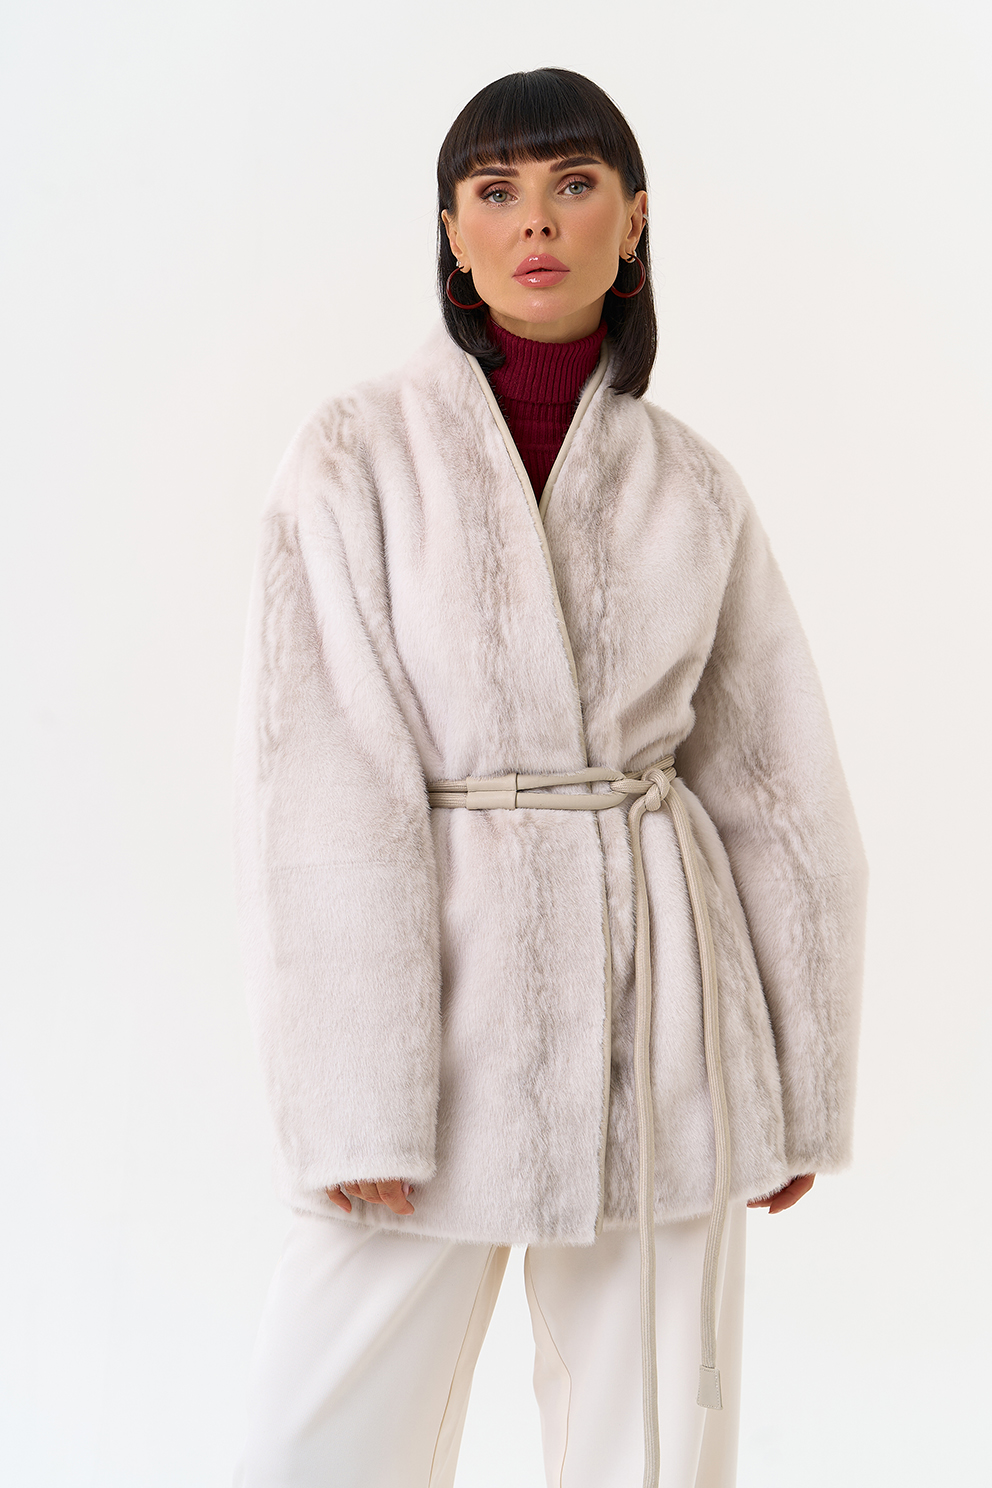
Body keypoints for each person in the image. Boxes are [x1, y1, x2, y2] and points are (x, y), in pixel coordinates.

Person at [232, 67, 867, 1488]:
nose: (537, 221)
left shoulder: (694, 485)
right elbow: (318, 793)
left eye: (575, 186)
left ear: (632, 222)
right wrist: (357, 1099)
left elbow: (778, 789)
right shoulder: (353, 460)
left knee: (656, 1439)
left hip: (669, 1022)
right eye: (497, 191)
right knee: (319, 1434)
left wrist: (797, 1082)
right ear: (451, 232)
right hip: (434, 1020)